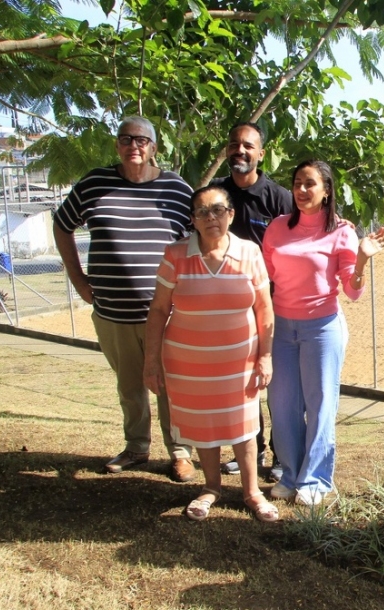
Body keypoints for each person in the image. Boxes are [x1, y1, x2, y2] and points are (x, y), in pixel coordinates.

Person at [53, 116, 196, 482]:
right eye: (126, 139)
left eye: (142, 140)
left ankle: (181, 452)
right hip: (112, 313)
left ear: (154, 148)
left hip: (166, 314)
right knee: (130, 385)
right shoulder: (93, 183)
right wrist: (78, 280)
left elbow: (196, 243)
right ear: (117, 145)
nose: (134, 145)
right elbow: (62, 225)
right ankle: (136, 448)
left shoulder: (177, 189)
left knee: (171, 386)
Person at [143, 185, 279, 522]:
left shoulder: (249, 252)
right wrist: (151, 362)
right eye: (202, 212)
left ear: (230, 215)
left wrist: (265, 356)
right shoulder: (175, 254)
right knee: (204, 426)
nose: (210, 217)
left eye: (218, 210)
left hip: (240, 363)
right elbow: (159, 310)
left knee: (244, 426)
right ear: (193, 220)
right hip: (188, 364)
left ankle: (252, 492)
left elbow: (264, 309)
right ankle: (212, 487)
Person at [262, 159, 384, 507]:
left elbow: (353, 290)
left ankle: (315, 479)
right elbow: (268, 275)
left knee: (320, 405)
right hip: (282, 327)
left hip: (322, 328)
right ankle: (290, 473)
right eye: (297, 183)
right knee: (282, 405)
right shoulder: (277, 228)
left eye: (310, 184)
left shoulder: (342, 231)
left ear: (326, 189)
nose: (301, 190)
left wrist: (361, 259)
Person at [211, 121, 293, 480]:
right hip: (227, 311)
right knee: (239, 387)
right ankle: (250, 451)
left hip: (274, 308)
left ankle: (280, 455)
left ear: (260, 153)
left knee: (278, 386)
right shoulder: (215, 195)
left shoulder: (279, 198)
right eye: (234, 145)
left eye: (247, 146)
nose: (239, 151)